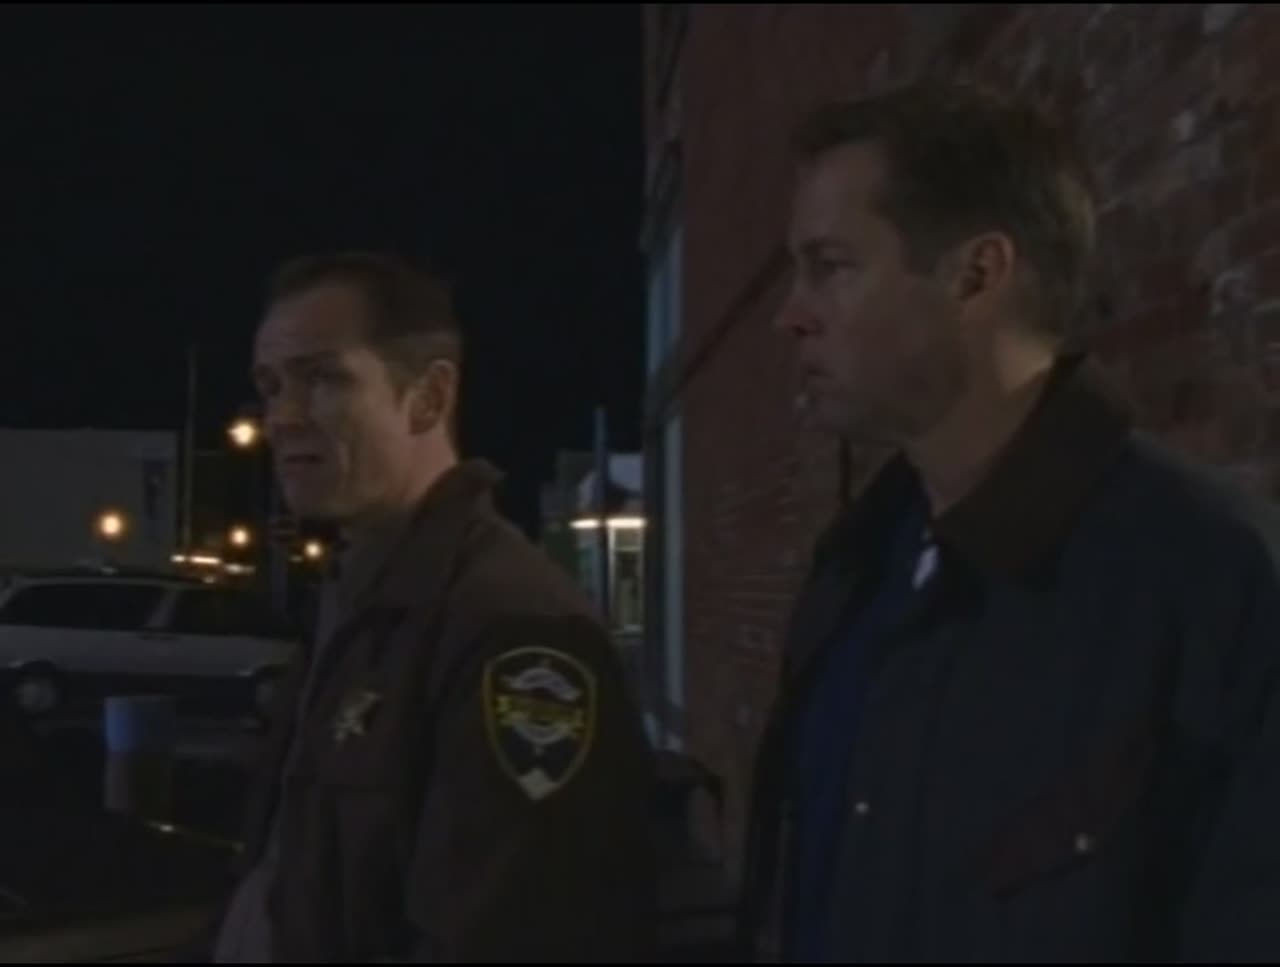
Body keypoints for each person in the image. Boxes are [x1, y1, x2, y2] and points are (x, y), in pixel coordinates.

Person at [739, 81, 1280, 962]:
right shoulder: (856, 564)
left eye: (830, 266)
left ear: (976, 275)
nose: (790, 315)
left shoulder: (1212, 584)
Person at [212, 253, 655, 962]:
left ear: (428, 397)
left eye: (322, 379)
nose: (282, 418)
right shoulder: (360, 599)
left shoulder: (510, 628)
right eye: (271, 387)